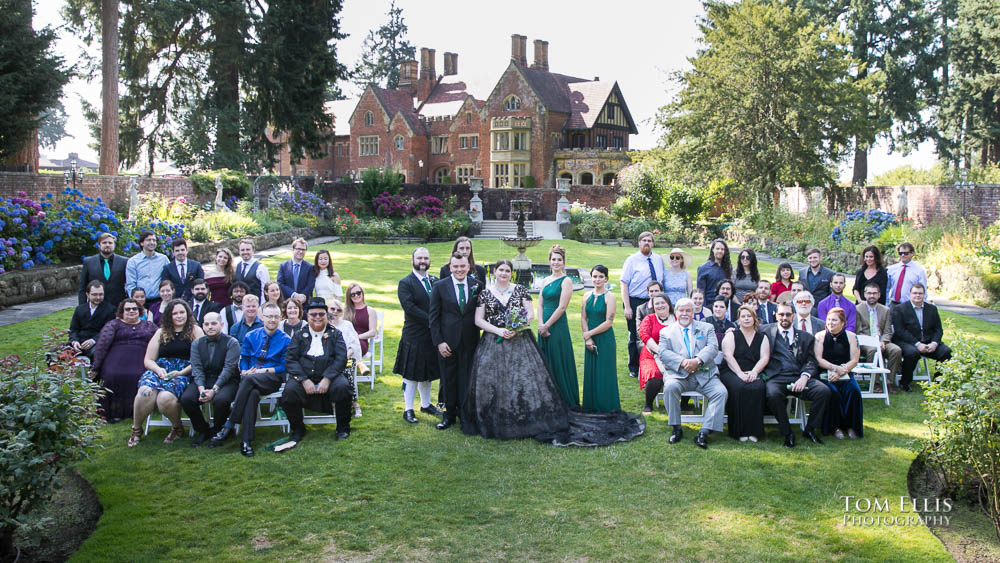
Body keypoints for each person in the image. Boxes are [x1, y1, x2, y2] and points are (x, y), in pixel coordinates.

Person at [462, 259, 645, 445]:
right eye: (500, 270)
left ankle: (522, 414)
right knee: (495, 378)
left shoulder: (520, 290)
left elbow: (530, 313)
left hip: (519, 339)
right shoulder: (485, 293)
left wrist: (517, 326)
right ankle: (498, 413)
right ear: (495, 271)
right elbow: (479, 320)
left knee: (520, 377)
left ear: (511, 272)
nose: (504, 273)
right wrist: (499, 330)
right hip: (493, 340)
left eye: (507, 270)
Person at [209, 303, 291, 456]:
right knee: (251, 393)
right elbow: (244, 358)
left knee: (248, 381)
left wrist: (261, 371)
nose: (272, 320)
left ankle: (229, 424)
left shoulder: (285, 340)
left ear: (280, 318)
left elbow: (284, 366)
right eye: (269, 316)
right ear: (262, 317)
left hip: (271, 377)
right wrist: (245, 370)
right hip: (250, 378)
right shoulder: (251, 336)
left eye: (276, 317)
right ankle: (246, 442)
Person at [127, 299, 205, 447]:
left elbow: (200, 359)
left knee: (164, 398)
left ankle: (177, 427)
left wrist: (181, 372)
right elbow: (148, 360)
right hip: (160, 369)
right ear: (169, 315)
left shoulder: (195, 331)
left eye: (182, 312)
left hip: (185, 371)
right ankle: (136, 429)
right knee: (145, 392)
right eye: (174, 313)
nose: (179, 316)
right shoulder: (161, 332)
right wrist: (157, 369)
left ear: (187, 314)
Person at [280, 298, 353, 447]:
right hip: (304, 378)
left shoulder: (336, 334)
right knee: (289, 392)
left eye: (321, 314)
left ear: (327, 315)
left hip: (330, 376)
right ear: (308, 316)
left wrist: (327, 379)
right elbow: (291, 359)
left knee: (343, 387)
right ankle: (298, 429)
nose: (318, 317)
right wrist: (303, 379)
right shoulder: (299, 335)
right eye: (314, 314)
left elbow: (340, 358)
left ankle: (343, 428)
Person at [658, 298, 728, 449]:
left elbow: (713, 347)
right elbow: (663, 353)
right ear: (676, 312)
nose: (684, 314)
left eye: (688, 311)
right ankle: (676, 428)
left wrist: (698, 361)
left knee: (720, 392)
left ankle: (704, 431)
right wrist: (684, 362)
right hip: (679, 375)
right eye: (681, 310)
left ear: (693, 312)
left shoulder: (706, 328)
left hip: (705, 374)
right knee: (670, 387)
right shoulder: (665, 332)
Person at [761, 302, 831, 448]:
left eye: (788, 314)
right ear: (776, 315)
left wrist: (804, 377)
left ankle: (810, 429)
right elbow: (745, 328)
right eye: (781, 314)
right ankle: (787, 433)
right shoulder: (765, 332)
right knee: (772, 395)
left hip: (799, 376)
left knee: (823, 391)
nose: (784, 317)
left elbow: (811, 361)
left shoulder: (805, 337)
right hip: (777, 377)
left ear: (793, 316)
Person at [430, 252, 482, 429]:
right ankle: (448, 415)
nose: (459, 270)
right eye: (456, 267)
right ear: (450, 267)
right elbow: (434, 317)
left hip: (470, 341)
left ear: (468, 267)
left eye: (462, 266)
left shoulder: (477, 286)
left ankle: (465, 414)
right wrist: (439, 342)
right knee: (448, 379)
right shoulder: (439, 286)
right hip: (447, 342)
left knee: (467, 379)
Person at [88, 298, 156, 423]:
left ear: (139, 311)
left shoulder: (149, 326)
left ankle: (135, 411)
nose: (131, 311)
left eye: (134, 309)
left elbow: (159, 342)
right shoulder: (113, 325)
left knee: (137, 375)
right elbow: (102, 346)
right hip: (116, 359)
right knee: (112, 375)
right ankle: (113, 412)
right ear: (122, 311)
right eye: (128, 309)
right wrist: (95, 367)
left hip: (140, 358)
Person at [394, 247, 442, 423]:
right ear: (412, 260)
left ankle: (426, 404)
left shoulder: (436, 281)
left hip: (431, 336)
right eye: (420, 258)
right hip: (414, 335)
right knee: (411, 373)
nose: (423, 261)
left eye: (426, 258)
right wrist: (433, 320)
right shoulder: (405, 283)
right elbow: (410, 308)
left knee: (427, 372)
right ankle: (408, 409)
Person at [181, 312, 241, 446]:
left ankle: (219, 431)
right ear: (202, 326)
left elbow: (228, 369)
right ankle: (203, 430)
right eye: (207, 324)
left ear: (221, 324)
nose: (210, 327)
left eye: (213, 323)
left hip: (227, 380)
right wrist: (202, 389)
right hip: (205, 378)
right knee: (187, 399)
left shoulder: (232, 343)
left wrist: (214, 390)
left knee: (221, 400)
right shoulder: (196, 344)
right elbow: (196, 368)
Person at [719, 305, 769, 442]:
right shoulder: (732, 335)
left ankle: (754, 431)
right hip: (732, 370)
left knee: (757, 388)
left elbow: (765, 357)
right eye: (743, 316)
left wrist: (754, 372)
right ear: (739, 320)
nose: (746, 319)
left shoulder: (762, 337)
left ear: (754, 319)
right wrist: (740, 373)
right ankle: (738, 431)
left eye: (749, 316)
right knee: (740, 387)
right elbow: (727, 355)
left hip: (753, 370)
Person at [620, 232, 666, 379]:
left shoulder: (658, 259)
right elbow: (624, 283)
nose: (647, 243)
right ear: (639, 242)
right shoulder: (631, 260)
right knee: (635, 334)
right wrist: (627, 306)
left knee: (655, 333)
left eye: (650, 240)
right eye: (644, 240)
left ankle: (652, 364)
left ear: (653, 243)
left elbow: (661, 281)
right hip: (636, 301)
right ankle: (634, 366)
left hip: (655, 301)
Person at [538, 244, 580, 407]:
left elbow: (562, 307)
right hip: (543, 325)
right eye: (553, 259)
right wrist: (540, 324)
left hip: (557, 326)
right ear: (549, 261)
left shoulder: (566, 280)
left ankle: (562, 399)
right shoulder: (545, 280)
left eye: (559, 260)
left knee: (557, 360)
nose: (556, 262)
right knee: (544, 361)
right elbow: (540, 304)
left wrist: (547, 325)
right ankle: (547, 399)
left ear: (563, 262)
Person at [892, 283, 951, 392]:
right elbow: (900, 331)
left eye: (920, 293)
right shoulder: (899, 309)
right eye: (915, 293)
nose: (917, 295)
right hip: (907, 342)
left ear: (924, 295)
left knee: (946, 352)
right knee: (912, 353)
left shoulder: (932, 309)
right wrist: (917, 344)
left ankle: (937, 382)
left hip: (929, 342)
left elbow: (938, 329)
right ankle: (905, 382)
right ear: (910, 294)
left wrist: (934, 343)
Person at [815, 308, 863, 439]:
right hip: (826, 373)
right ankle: (835, 427)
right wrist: (835, 369)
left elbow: (854, 359)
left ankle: (851, 426)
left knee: (853, 391)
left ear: (843, 323)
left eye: (834, 320)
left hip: (845, 372)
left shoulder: (852, 337)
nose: (830, 323)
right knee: (833, 393)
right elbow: (818, 359)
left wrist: (842, 371)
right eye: (829, 320)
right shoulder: (820, 336)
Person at [581, 264, 618, 412]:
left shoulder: (610, 297)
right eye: (595, 276)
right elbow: (583, 318)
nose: (597, 279)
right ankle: (590, 406)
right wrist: (588, 339)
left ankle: (606, 407)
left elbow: (609, 322)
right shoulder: (586, 296)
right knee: (591, 373)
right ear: (591, 277)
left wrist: (590, 334)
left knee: (604, 373)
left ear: (606, 278)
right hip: (590, 340)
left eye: (601, 276)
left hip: (605, 339)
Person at [856, 283, 902, 393]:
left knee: (896, 350)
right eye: (869, 293)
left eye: (874, 293)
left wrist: (882, 342)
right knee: (873, 350)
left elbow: (887, 331)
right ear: (865, 294)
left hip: (882, 340)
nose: (872, 295)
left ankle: (889, 381)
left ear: (879, 295)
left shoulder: (885, 310)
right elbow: (858, 331)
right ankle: (875, 382)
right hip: (866, 342)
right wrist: (874, 343)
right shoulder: (857, 309)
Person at [328, 298, 365, 418]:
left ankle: (355, 404)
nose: (335, 312)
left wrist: (342, 358)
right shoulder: (324, 325)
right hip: (329, 360)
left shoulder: (347, 325)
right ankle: (334, 404)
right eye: (332, 309)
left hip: (347, 359)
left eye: (338, 310)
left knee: (347, 372)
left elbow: (353, 346)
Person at [638, 293, 674, 413]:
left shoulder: (677, 318)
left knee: (686, 371)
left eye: (662, 302)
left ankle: (683, 404)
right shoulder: (649, 319)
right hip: (651, 354)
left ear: (668, 303)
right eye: (657, 303)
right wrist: (660, 351)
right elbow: (644, 335)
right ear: (653, 306)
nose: (660, 305)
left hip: (674, 354)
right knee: (655, 375)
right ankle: (648, 404)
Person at [68, 280, 115, 360]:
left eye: (101, 294)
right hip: (79, 343)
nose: (98, 297)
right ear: (87, 295)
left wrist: (93, 340)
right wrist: (75, 341)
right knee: (53, 354)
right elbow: (73, 330)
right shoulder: (79, 309)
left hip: (97, 344)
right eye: (94, 295)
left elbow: (108, 331)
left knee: (96, 354)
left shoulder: (111, 310)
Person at [79, 232, 127, 308]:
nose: (107, 245)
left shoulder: (124, 262)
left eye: (110, 243)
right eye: (104, 243)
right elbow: (82, 287)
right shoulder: (88, 262)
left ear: (114, 245)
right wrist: (82, 307)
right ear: (99, 245)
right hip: (97, 305)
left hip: (118, 306)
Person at [125, 230, 169, 306]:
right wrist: (134, 303)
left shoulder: (163, 259)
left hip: (160, 300)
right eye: (148, 240)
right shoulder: (133, 261)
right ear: (141, 243)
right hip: (141, 302)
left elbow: (169, 278)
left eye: (154, 240)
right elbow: (131, 284)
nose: (152, 242)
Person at [277, 237, 315, 305]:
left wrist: (301, 296)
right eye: (298, 249)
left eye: (303, 249)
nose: (301, 252)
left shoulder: (310, 267)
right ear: (292, 249)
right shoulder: (283, 266)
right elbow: (280, 284)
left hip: (303, 304)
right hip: (287, 303)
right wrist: (294, 295)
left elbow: (310, 286)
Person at [345, 282, 377, 358]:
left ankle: (345, 360)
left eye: (358, 293)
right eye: (353, 294)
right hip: (347, 339)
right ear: (349, 297)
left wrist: (357, 337)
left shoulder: (370, 311)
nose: (356, 295)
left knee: (354, 346)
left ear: (362, 293)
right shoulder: (345, 311)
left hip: (361, 340)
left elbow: (372, 332)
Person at [234, 238, 270, 302]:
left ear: (253, 250)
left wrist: (262, 306)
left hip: (254, 305)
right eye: (242, 250)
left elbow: (265, 290)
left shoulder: (260, 268)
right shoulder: (237, 266)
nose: (245, 252)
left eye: (248, 250)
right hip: (240, 304)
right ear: (239, 252)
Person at [696, 239, 732, 303]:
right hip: (710, 303)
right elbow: (701, 291)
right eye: (717, 249)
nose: (720, 251)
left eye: (722, 249)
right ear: (713, 249)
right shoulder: (703, 268)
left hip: (725, 303)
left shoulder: (728, 267)